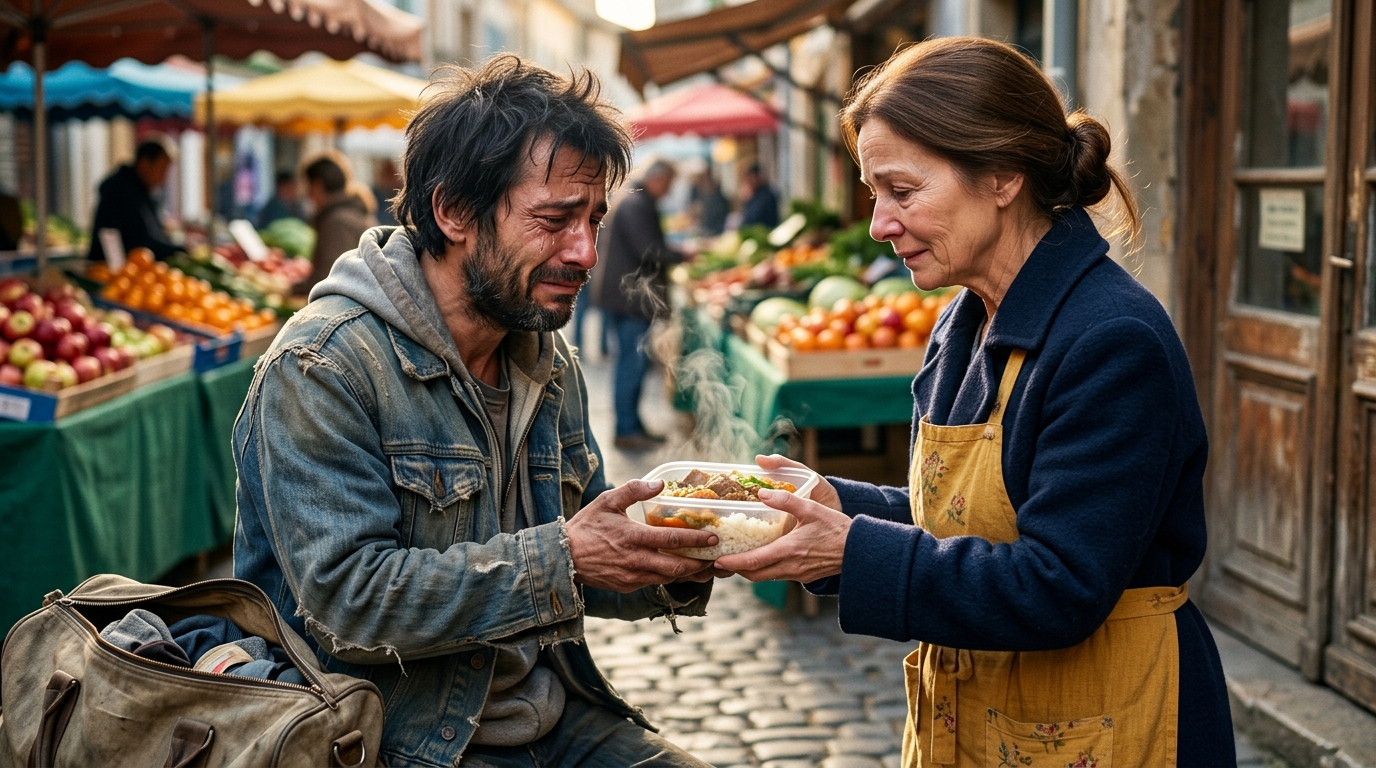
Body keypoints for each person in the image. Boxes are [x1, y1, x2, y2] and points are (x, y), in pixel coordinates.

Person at [714, 37, 1234, 767]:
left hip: (1108, 722)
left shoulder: (1112, 341)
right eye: (874, 194)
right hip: (980, 714)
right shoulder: (965, 318)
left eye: (902, 190)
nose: (878, 224)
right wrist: (835, 505)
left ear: (1001, 176)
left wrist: (853, 549)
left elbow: (1059, 584)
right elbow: (968, 519)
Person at [232, 55, 721, 768]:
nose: (585, 251)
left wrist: (681, 554)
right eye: (555, 220)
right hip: (389, 738)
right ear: (453, 210)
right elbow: (349, 607)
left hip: (552, 718)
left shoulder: (546, 361)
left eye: (593, 220)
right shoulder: (323, 366)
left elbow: (591, 554)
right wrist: (569, 556)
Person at [592, 160, 684, 451]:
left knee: (633, 364)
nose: (668, 192)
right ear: (657, 178)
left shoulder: (636, 199)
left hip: (626, 298)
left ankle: (632, 425)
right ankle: (627, 429)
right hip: (629, 300)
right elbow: (648, 251)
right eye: (668, 184)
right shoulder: (636, 203)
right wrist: (681, 256)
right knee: (631, 364)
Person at [294, 153, 376, 296]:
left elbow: (329, 277)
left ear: (318, 185)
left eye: (308, 186)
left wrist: (294, 289)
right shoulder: (351, 212)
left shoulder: (337, 221)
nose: (307, 194)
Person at [88, 136, 179, 262]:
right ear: (144, 163)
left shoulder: (141, 190)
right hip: (112, 268)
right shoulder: (122, 190)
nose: (164, 177)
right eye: (162, 169)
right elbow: (140, 239)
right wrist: (179, 251)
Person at [738, 162, 780, 229]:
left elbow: (756, 218)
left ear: (758, 177)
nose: (749, 182)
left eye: (751, 179)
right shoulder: (754, 195)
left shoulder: (767, 196)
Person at [690, 170, 730, 236]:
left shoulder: (720, 198)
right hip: (706, 231)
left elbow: (721, 218)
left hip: (717, 232)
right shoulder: (704, 196)